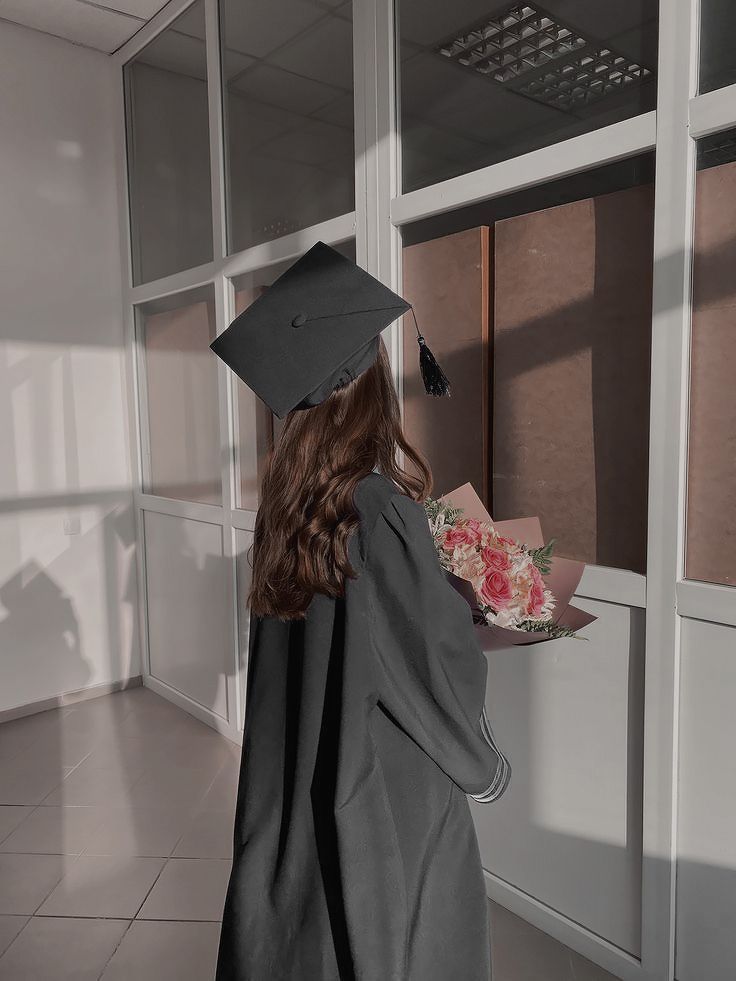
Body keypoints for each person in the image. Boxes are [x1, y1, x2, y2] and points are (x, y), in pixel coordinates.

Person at [211, 243, 510, 981]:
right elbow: (431, 666)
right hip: (384, 785)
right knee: (402, 937)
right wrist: (469, 603)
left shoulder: (287, 509)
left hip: (308, 766)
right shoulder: (378, 509)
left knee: (317, 935)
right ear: (366, 385)